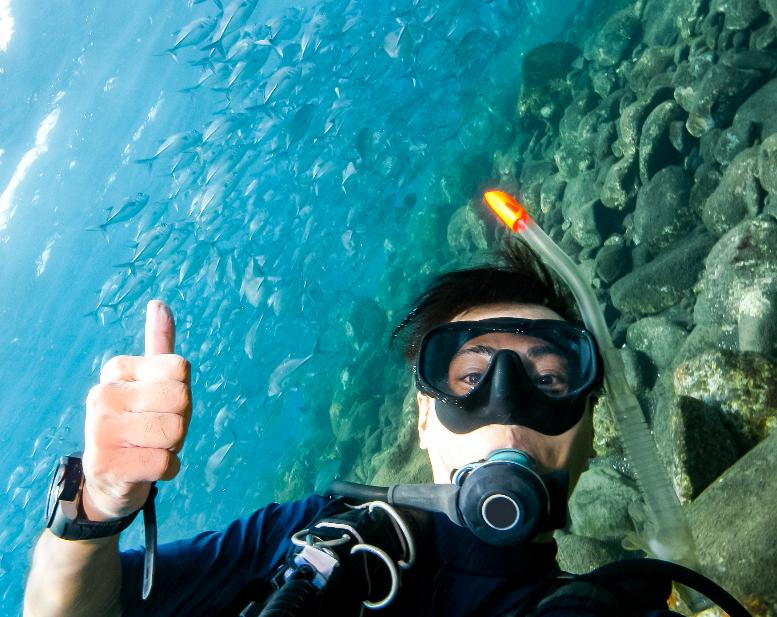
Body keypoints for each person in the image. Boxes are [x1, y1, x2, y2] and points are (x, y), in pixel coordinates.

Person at [24, 242, 678, 617]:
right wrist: (98, 506)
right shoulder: (310, 535)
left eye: (551, 378)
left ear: (592, 428)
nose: (506, 405)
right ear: (425, 419)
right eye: (470, 375)